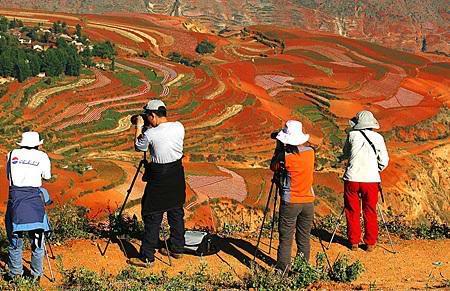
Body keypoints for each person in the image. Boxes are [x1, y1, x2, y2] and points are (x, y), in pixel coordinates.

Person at [128, 99, 186, 268]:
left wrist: (139, 126)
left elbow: (140, 147)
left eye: (147, 116)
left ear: (152, 115)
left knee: (152, 213)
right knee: (176, 210)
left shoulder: (150, 134)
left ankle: (147, 257)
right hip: (177, 172)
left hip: (159, 175)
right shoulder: (179, 126)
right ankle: (177, 248)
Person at [5, 131, 51, 282]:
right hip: (35, 206)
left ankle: (14, 276)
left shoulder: (11, 154)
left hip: (16, 204)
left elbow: (9, 177)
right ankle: (36, 276)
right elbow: (47, 176)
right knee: (37, 243)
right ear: (38, 144)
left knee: (15, 242)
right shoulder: (42, 156)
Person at [271, 120, 315, 272]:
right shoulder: (310, 152)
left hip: (291, 202)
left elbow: (273, 166)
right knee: (304, 237)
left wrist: (278, 148)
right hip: (308, 201)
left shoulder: (285, 156)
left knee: (286, 238)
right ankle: (302, 270)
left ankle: (282, 270)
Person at [342, 110, 389, 251]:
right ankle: (370, 242)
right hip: (371, 180)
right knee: (370, 210)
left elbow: (346, 153)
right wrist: (375, 169)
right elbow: (384, 161)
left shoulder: (352, 135)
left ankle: (354, 242)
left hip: (352, 178)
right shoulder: (379, 138)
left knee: (352, 210)